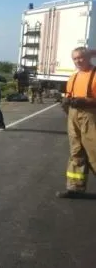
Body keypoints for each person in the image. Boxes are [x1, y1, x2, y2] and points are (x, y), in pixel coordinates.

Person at [57, 47, 96, 198]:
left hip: (91, 116)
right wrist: (66, 102)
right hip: (73, 116)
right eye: (75, 58)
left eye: (81, 57)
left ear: (89, 57)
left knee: (94, 152)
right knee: (76, 152)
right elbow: (69, 96)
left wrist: (86, 101)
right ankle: (75, 187)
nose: (78, 61)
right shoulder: (73, 77)